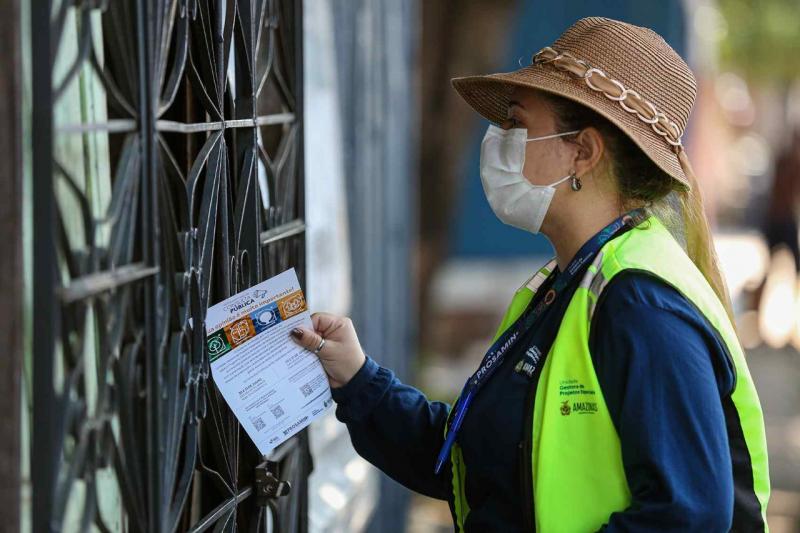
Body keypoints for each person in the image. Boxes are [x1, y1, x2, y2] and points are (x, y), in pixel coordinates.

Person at [289, 17, 770, 532]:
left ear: (582, 152)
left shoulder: (639, 301)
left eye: (518, 124)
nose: (497, 140)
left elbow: (689, 517)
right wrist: (358, 379)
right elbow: (481, 462)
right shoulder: (569, 284)